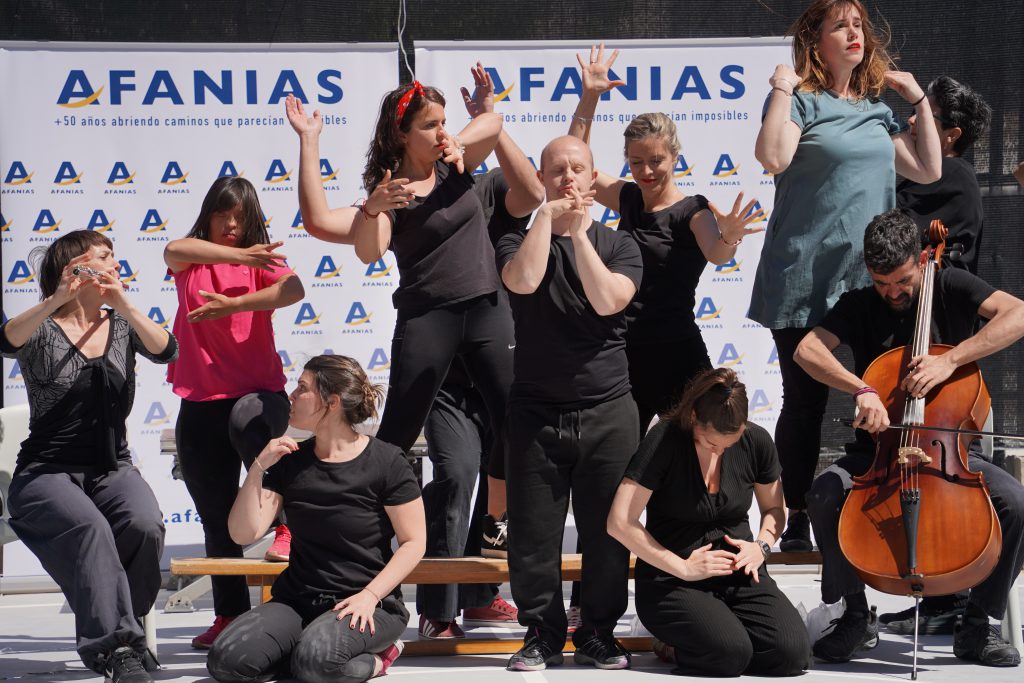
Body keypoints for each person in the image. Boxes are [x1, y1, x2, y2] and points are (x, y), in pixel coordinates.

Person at [751, 0, 942, 553]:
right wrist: (783, 88)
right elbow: (772, 157)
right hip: (805, 275)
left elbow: (928, 168)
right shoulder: (801, 100)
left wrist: (919, 101)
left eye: (859, 24)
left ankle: (873, 505)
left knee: (885, 391)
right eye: (841, 25)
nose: (854, 33)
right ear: (816, 39)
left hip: (870, 283)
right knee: (805, 403)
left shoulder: (877, 110)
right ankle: (796, 518)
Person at [794, 209, 1024, 666]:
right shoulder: (860, 304)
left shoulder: (953, 285)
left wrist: (951, 360)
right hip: (877, 456)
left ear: (922, 260)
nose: (893, 293)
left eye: (901, 281)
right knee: (823, 493)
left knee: (1017, 504)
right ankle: (855, 618)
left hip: (950, 454)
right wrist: (861, 388)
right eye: (883, 283)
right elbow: (807, 349)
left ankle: (979, 624)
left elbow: (1017, 315)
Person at [285, 78, 513, 528]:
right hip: (429, 318)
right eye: (430, 125)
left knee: (517, 417)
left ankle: (494, 521)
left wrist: (457, 140)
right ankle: (361, 522)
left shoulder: (457, 164)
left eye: (443, 122)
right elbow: (355, 243)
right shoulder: (391, 192)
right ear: (401, 135)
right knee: (398, 433)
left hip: (488, 309)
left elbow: (494, 121)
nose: (441, 132)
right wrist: (315, 148)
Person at [1, 230, 177, 683]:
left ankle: (124, 632)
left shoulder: (121, 326)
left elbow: (166, 349)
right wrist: (55, 298)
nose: (115, 264)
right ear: (75, 268)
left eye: (115, 256)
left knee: (145, 524)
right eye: (104, 257)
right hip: (45, 472)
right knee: (91, 529)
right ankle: (118, 650)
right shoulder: (41, 329)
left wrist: (127, 306)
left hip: (111, 466)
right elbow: (6, 340)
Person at [497, 135, 643, 671]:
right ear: (542, 179)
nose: (567, 179)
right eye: (556, 170)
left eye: (576, 169)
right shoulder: (517, 240)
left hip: (608, 409)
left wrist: (580, 237)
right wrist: (545, 222)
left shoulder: (618, 244)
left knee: (607, 531)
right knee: (534, 533)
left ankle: (598, 632)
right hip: (536, 411)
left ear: (593, 176)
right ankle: (540, 633)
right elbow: (524, 280)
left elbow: (609, 301)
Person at [569, 43, 765, 432]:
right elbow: (573, 159)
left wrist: (728, 237)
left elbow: (716, 253)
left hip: (678, 353)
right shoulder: (627, 198)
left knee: (705, 447)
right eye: (636, 161)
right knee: (621, 460)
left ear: (674, 157)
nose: (646, 171)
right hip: (624, 352)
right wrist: (589, 96)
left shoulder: (692, 210)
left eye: (656, 160)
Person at [415, 64, 543, 639]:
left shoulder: (489, 187)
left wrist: (484, 123)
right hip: (448, 378)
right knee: (456, 472)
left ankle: (482, 591)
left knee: (510, 468)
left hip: (499, 370)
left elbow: (535, 188)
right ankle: (437, 611)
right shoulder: (415, 191)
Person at [207, 355, 425, 683]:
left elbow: (414, 542)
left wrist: (370, 595)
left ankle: (381, 658)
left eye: (302, 388)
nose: (291, 396)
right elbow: (242, 533)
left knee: (317, 665)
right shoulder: (289, 462)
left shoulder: (387, 462)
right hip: (297, 601)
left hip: (366, 603)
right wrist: (257, 468)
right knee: (226, 661)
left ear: (332, 402)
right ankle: (305, 649)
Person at [164, 176, 305, 648]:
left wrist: (238, 304)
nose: (231, 225)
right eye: (224, 215)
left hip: (258, 394)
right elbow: (173, 248)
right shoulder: (192, 258)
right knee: (214, 514)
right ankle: (229, 616)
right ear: (209, 214)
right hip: (200, 401)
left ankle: (285, 525)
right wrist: (243, 255)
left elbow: (294, 291)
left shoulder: (264, 260)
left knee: (249, 419)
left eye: (241, 218)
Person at [608, 367, 809, 676]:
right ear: (693, 419)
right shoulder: (665, 438)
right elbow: (620, 522)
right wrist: (684, 568)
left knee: (792, 654)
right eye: (711, 443)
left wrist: (762, 547)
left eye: (730, 443)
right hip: (672, 580)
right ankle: (674, 642)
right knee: (729, 655)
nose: (721, 451)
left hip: (740, 573)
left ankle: (720, 634)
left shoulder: (756, 440)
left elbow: (774, 509)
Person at [882, 75, 992, 634]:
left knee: (962, 482)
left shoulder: (955, 182)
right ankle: (933, 594)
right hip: (909, 352)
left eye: (922, 120)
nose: (908, 126)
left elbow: (943, 265)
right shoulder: (913, 175)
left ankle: (962, 604)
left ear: (948, 135)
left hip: (947, 352)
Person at [898, 75, 992, 274]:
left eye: (925, 116)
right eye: (915, 111)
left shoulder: (954, 174)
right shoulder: (949, 174)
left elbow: (890, 226)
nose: (912, 120)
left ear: (952, 135)